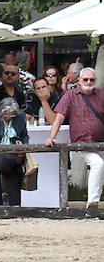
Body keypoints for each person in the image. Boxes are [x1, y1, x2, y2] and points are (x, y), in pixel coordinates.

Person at [46, 66, 104, 211]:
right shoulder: (70, 95)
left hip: (101, 142)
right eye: (86, 79)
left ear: (96, 81)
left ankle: (94, 199)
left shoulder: (102, 95)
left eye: (92, 79)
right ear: (79, 80)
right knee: (98, 164)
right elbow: (59, 119)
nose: (89, 82)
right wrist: (51, 137)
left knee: (99, 166)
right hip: (82, 142)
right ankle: (92, 203)